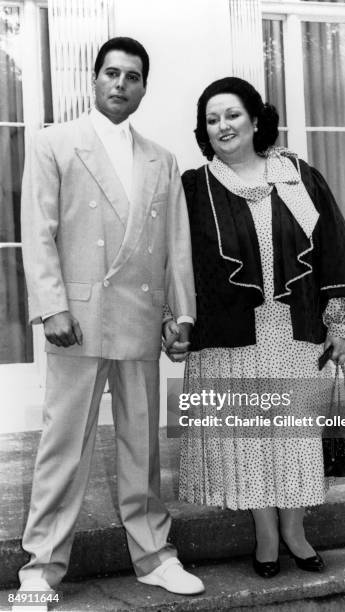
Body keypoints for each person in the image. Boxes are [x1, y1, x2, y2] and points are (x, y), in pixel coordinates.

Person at [14, 37, 204, 610]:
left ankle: (154, 557)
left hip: (142, 319)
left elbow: (176, 245)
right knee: (63, 446)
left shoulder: (161, 158)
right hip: (76, 318)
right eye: (112, 74)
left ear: (144, 87)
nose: (121, 85)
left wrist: (183, 314)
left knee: (141, 447)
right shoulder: (55, 143)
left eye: (133, 77)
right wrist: (51, 307)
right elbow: (38, 230)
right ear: (94, 80)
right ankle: (41, 570)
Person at [166, 77, 345, 578]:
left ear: (256, 119)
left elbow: (334, 248)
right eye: (212, 119)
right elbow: (174, 263)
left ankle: (295, 532)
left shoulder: (296, 177)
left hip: (293, 332)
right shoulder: (196, 188)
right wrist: (173, 321)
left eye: (232, 114)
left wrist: (341, 322)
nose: (223, 126)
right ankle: (265, 534)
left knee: (294, 434)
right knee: (248, 436)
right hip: (229, 337)